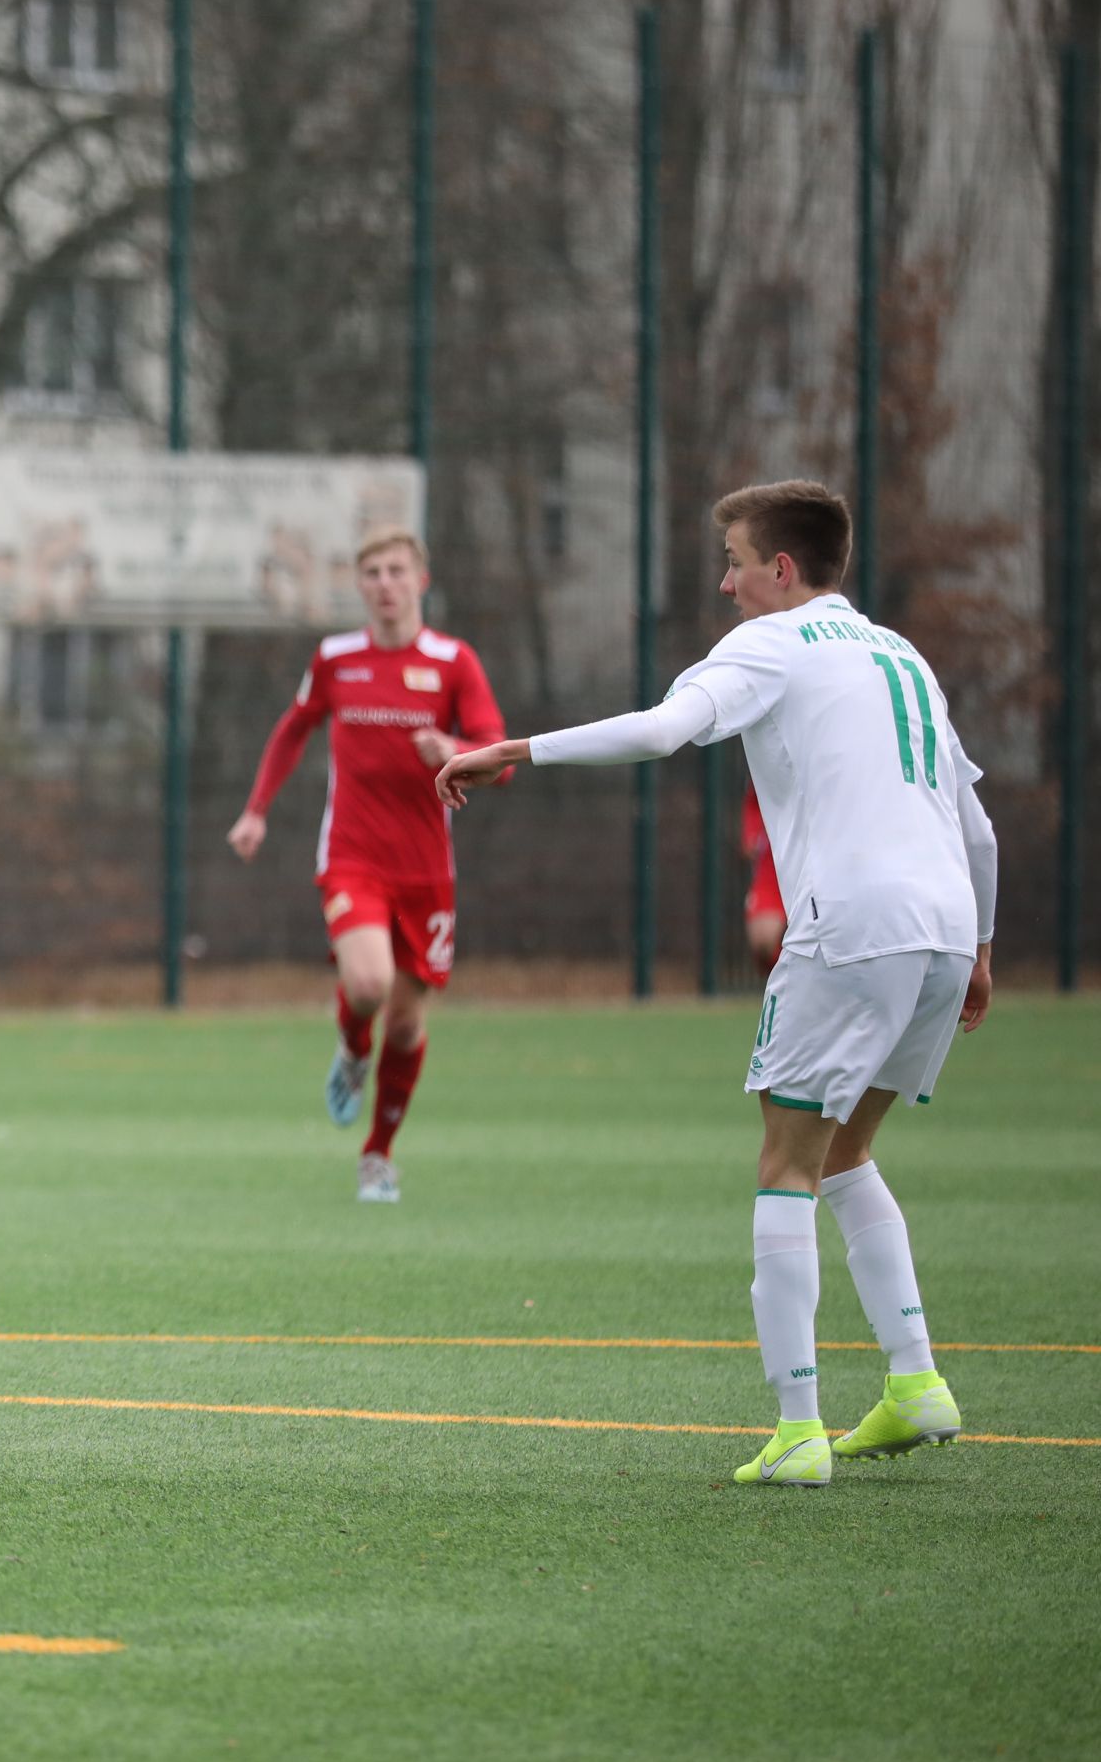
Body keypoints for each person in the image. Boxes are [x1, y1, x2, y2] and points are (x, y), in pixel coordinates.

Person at [438, 481, 995, 1489]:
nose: (724, 579)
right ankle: (915, 1382)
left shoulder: (770, 643)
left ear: (783, 570)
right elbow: (977, 824)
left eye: (735, 558)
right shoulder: (902, 655)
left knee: (786, 1160)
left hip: (853, 924)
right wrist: (982, 948)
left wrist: (517, 749)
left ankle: (798, 1429)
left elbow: (660, 730)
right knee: (846, 1151)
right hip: (945, 927)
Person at [226, 525, 505, 1204]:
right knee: (371, 984)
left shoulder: (452, 661)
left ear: (421, 580)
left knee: (407, 1025)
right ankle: (353, 1047)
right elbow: (292, 729)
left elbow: (498, 750)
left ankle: (377, 1155)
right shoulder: (335, 658)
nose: (385, 583)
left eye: (396, 571)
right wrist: (256, 808)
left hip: (426, 870)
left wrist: (454, 750)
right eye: (373, 572)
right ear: (360, 584)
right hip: (352, 858)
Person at [742, 784, 787, 975]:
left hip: (819, 858)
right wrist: (751, 833)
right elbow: (755, 797)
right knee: (762, 942)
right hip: (773, 862)